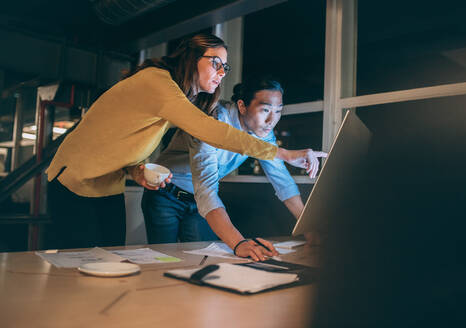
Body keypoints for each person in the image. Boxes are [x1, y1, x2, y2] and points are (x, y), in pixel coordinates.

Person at [46, 33, 325, 250]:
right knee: (75, 267)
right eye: (215, 63)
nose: (221, 73)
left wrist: (136, 170)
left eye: (224, 68)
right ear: (192, 59)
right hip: (74, 178)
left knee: (107, 261)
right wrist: (283, 153)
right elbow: (211, 131)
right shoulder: (159, 83)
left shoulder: (179, 96)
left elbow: (128, 141)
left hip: (106, 185)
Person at [142, 77, 323, 261]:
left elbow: (282, 182)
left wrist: (309, 230)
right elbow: (206, 189)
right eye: (265, 110)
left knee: (202, 260)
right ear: (242, 106)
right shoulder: (212, 119)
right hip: (166, 193)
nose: (272, 120)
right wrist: (238, 243)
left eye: (278, 111)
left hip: (199, 205)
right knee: (162, 258)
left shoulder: (263, 133)